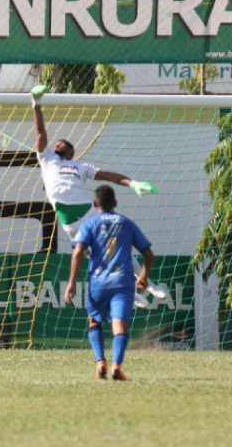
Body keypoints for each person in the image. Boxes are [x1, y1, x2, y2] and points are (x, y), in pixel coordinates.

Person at [31, 84, 164, 307]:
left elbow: (109, 176)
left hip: (91, 212)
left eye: (63, 144)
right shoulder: (46, 159)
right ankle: (129, 293)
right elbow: (40, 132)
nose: (58, 143)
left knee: (119, 247)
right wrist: (36, 103)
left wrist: (133, 183)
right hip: (70, 221)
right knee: (101, 259)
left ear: (72, 152)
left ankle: (147, 282)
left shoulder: (79, 166)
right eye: (57, 143)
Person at [64, 184, 154, 381]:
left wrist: (71, 282)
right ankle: (117, 366)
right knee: (120, 325)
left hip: (98, 282)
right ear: (115, 203)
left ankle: (100, 362)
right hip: (122, 282)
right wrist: (144, 276)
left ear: (95, 203)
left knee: (94, 321)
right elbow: (148, 253)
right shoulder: (126, 223)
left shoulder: (89, 224)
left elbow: (78, 252)